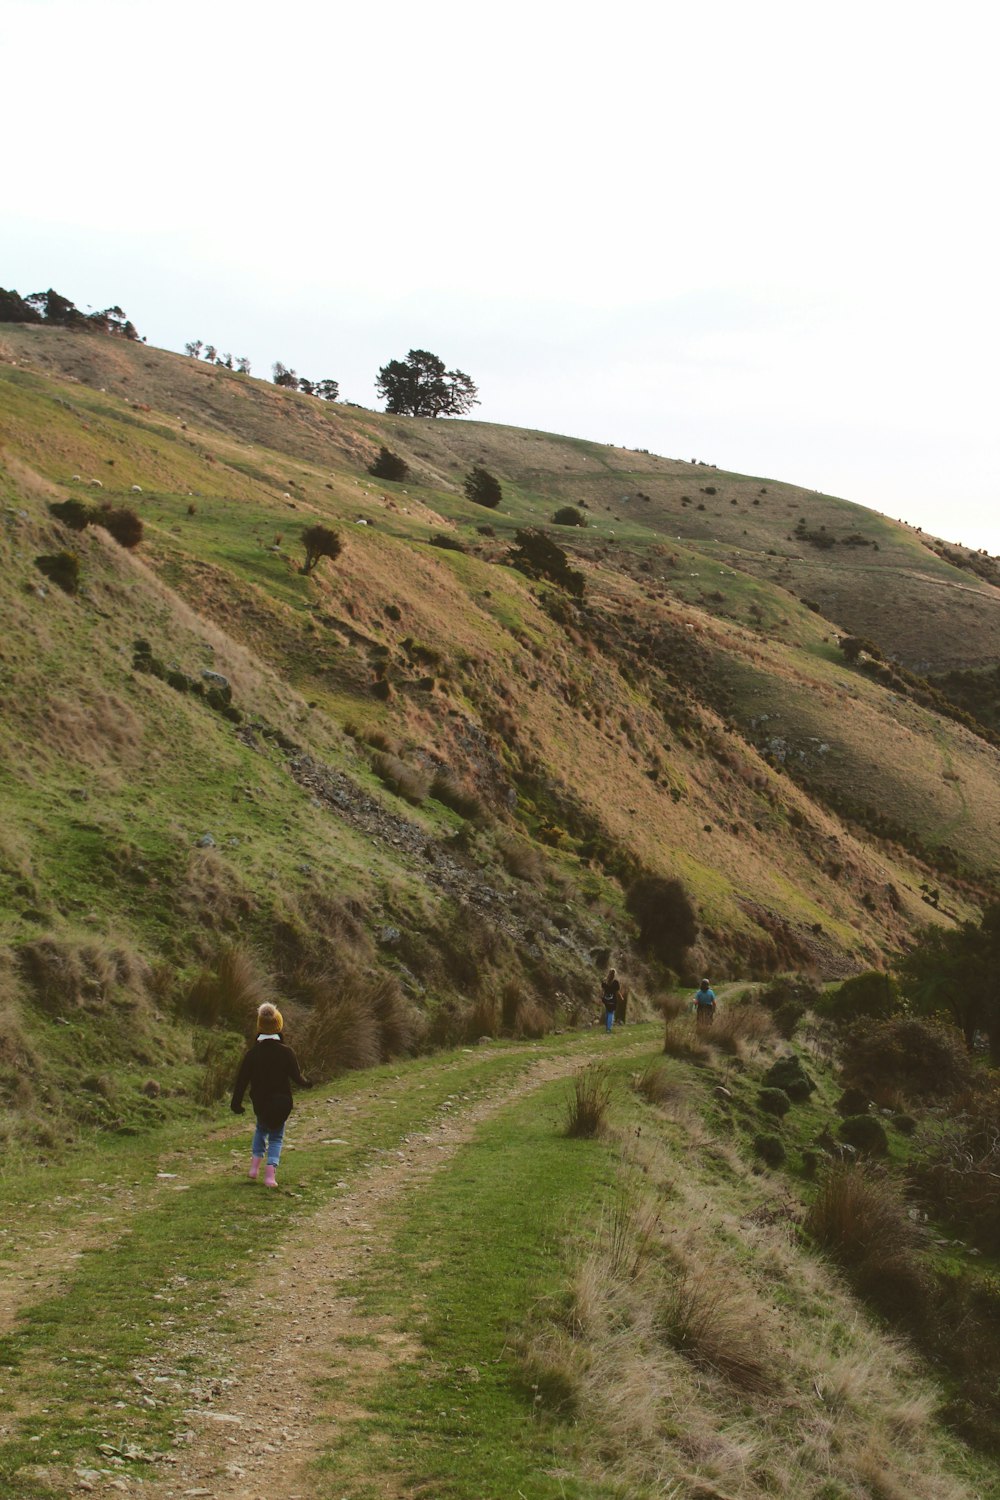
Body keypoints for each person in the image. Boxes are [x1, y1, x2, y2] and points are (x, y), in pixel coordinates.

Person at [230, 1002, 310, 1187]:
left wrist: (236, 1103)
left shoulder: (252, 1054)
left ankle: (254, 1167)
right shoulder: (286, 1052)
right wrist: (308, 1083)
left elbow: (241, 1081)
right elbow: (297, 1077)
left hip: (261, 1103)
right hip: (281, 1103)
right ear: (279, 1025)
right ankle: (270, 1176)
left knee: (261, 1129)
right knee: (276, 1137)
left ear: (260, 1026)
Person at [601, 969, 622, 1033]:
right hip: (613, 999)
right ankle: (609, 1029)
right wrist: (621, 997)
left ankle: (607, 1027)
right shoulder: (615, 982)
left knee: (607, 1012)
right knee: (611, 1013)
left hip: (606, 999)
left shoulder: (605, 981)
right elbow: (617, 991)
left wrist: (602, 996)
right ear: (614, 974)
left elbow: (602, 990)